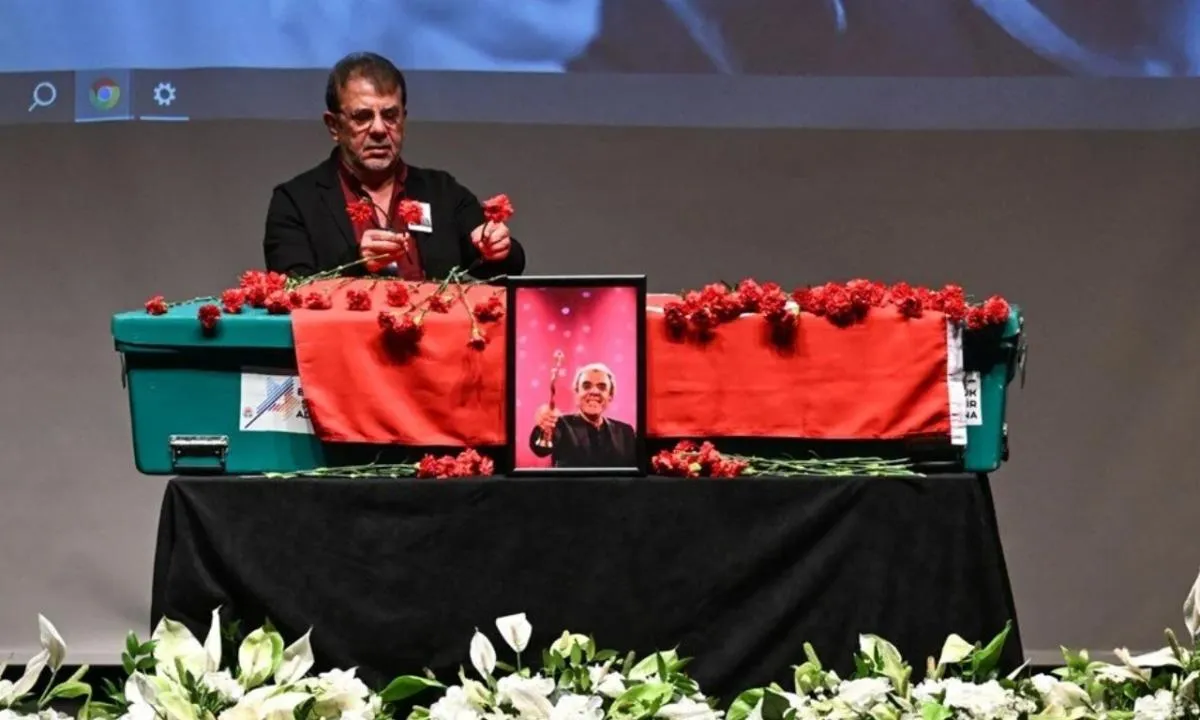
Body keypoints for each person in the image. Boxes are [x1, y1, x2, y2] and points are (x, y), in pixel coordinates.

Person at [263, 52, 526, 280]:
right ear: (334, 126)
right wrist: (356, 262)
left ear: (403, 120)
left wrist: (497, 248)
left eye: (390, 115)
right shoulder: (295, 200)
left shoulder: (442, 192)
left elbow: (507, 266)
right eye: (362, 117)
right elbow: (291, 285)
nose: (379, 129)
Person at [529, 363, 638, 468]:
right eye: (586, 386)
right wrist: (544, 428)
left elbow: (640, 467)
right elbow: (540, 450)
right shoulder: (560, 425)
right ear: (577, 392)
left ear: (610, 395)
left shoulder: (625, 432)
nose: (594, 391)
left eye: (602, 387)